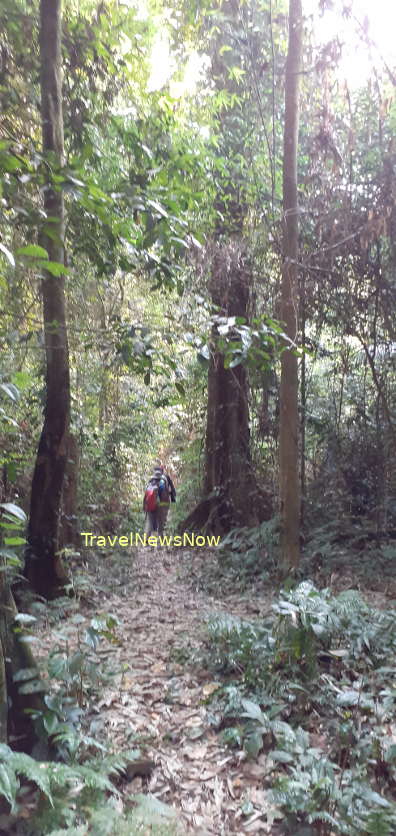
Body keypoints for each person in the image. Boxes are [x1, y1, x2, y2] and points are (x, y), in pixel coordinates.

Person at [143, 464, 176, 536]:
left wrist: (144, 505)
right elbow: (172, 490)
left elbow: (146, 494)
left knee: (149, 521)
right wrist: (173, 499)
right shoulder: (165, 479)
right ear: (162, 471)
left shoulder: (151, 480)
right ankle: (160, 538)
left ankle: (146, 538)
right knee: (161, 521)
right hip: (163, 504)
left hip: (151, 504)